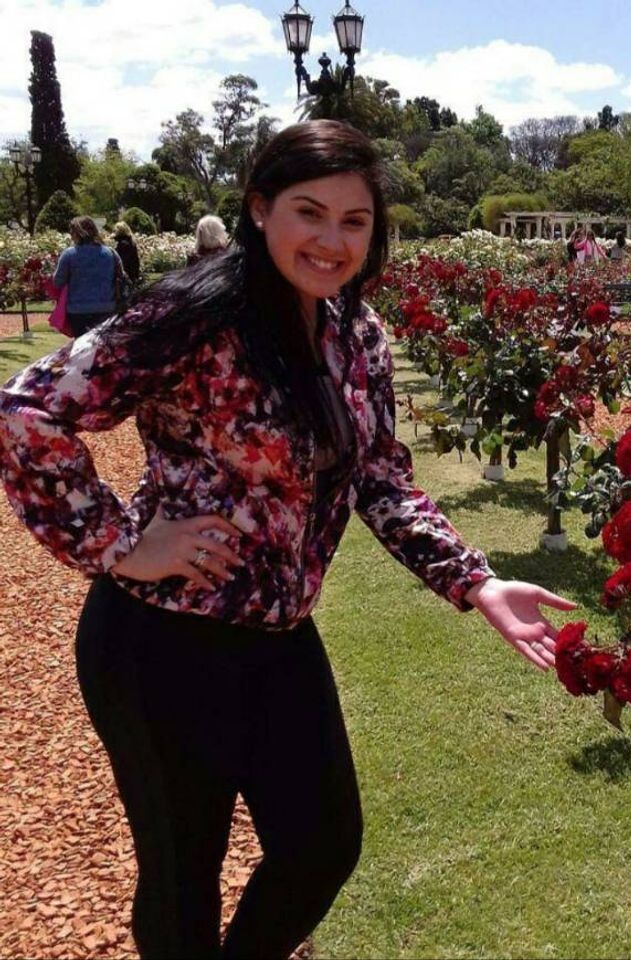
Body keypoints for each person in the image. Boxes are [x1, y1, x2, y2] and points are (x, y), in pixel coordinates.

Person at [0, 120, 575, 960]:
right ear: (260, 208)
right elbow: (28, 411)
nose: (331, 240)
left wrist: (477, 582)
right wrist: (121, 543)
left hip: (278, 637)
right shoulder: (193, 315)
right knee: (181, 877)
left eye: (355, 220)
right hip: (159, 643)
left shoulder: (353, 333)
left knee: (321, 847)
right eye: (310, 212)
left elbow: (379, 474)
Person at [52, 216, 128, 336]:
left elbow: (57, 282)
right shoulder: (111, 253)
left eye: (72, 232)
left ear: (78, 233)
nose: (71, 236)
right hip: (106, 308)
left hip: (78, 311)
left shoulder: (69, 254)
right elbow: (121, 277)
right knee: (103, 348)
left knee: (81, 349)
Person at [113, 221, 141, 288]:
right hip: (132, 273)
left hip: (126, 274)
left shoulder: (123, 244)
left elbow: (122, 261)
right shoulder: (131, 242)